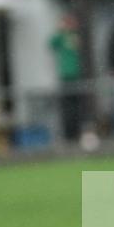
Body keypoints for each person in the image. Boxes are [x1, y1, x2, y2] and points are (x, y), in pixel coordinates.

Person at [49, 13, 84, 143]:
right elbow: (52, 44)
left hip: (75, 75)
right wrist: (60, 30)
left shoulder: (75, 36)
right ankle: (69, 134)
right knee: (67, 107)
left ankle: (77, 133)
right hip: (65, 76)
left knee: (77, 107)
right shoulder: (62, 37)